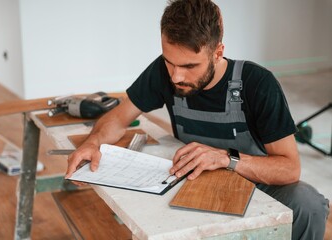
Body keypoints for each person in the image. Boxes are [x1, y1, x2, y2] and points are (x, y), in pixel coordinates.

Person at [65, 0, 329, 239]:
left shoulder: (257, 83)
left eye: (190, 66)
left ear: (217, 52)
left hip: (254, 182)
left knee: (308, 203)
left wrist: (227, 158)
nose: (176, 77)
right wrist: (93, 143)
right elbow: (119, 118)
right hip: (195, 182)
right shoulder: (163, 71)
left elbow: (289, 168)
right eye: (170, 62)